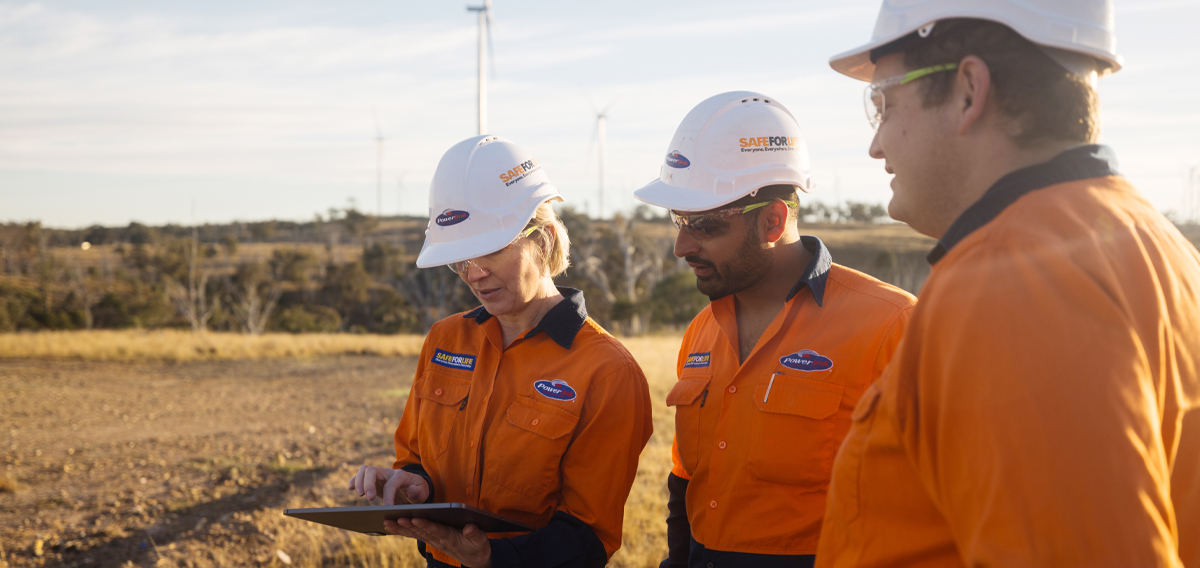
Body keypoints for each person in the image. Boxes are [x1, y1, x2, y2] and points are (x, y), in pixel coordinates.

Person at [818, 2, 1200, 566]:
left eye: (884, 102)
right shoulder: (1160, 244)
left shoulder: (1007, 283)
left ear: (969, 90)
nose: (876, 145)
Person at [633, 91, 917, 568]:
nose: (681, 246)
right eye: (678, 221)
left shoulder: (892, 327)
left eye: (702, 225)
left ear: (772, 220)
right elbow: (686, 484)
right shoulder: (701, 332)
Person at [348, 134, 654, 568]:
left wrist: (492, 558)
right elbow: (416, 456)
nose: (473, 274)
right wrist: (413, 484)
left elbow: (590, 536)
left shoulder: (607, 370)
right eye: (459, 259)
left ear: (544, 239)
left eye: (489, 251)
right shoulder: (445, 339)